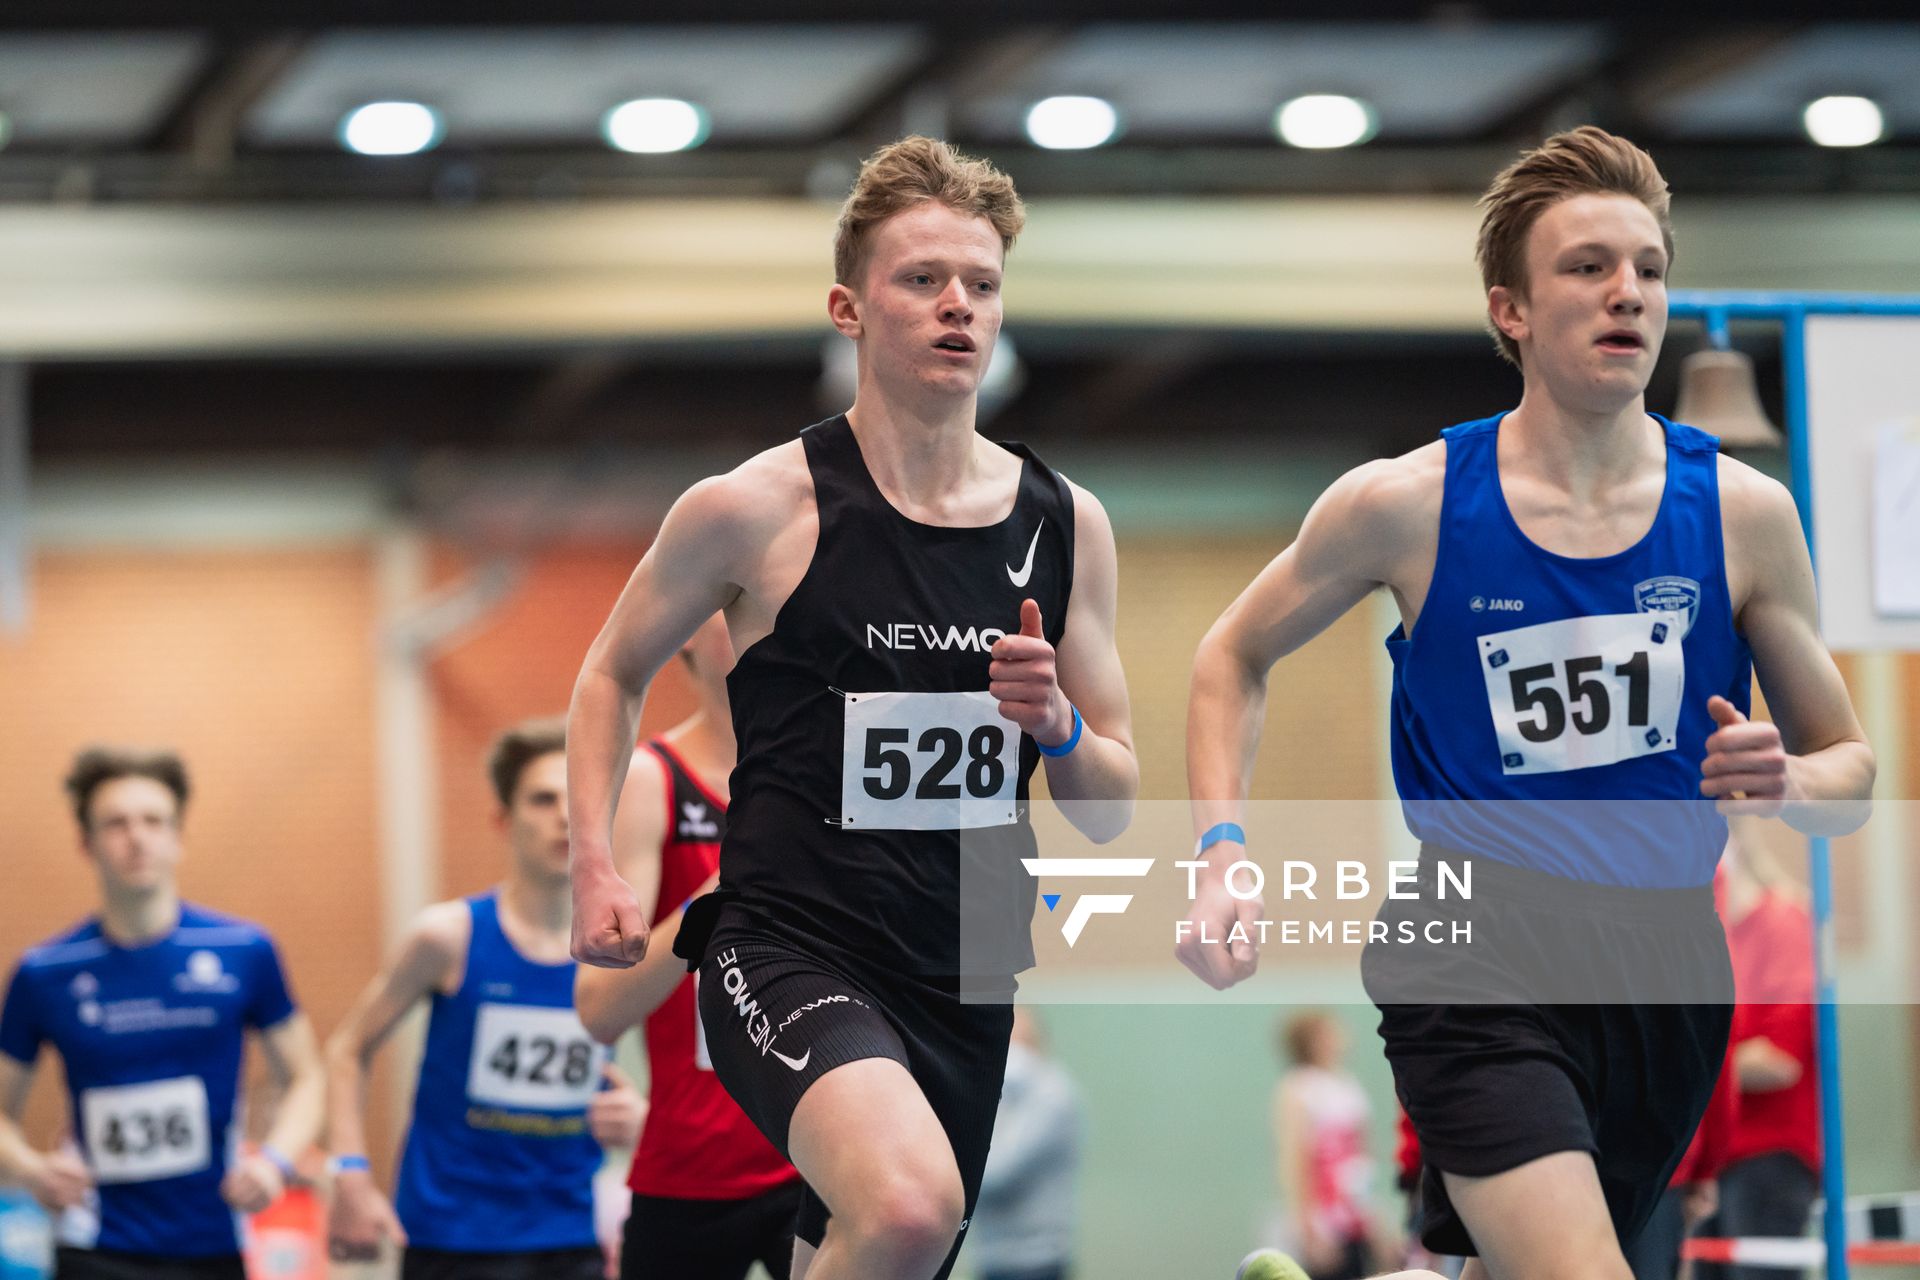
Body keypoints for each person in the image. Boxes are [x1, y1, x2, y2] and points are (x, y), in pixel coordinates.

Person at [1185, 125, 1874, 1280]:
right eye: (1589, 266)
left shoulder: (1745, 514)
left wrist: (1793, 780)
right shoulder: (1405, 504)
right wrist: (1220, 848)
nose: (1628, 293)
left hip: (1665, 960)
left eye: (1649, 268)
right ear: (1510, 308)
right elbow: (1230, 656)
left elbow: (1848, 766)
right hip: (1473, 942)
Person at [565, 135, 1138, 1280]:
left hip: (968, 959)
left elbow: (1113, 803)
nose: (956, 308)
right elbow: (609, 673)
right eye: (922, 279)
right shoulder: (754, 507)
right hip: (790, 941)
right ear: (849, 305)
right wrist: (597, 863)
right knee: (910, 1206)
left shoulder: (1066, 520)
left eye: (980, 284)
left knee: (870, 1250)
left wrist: (1058, 727)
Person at [324, 719, 645, 1280]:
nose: (565, 817)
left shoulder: (623, 947)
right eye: (543, 800)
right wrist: (350, 1174)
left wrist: (644, 1116)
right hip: (452, 1239)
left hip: (569, 1237)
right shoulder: (448, 937)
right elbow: (348, 1049)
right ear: (503, 820)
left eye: (577, 800)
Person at [0, 747, 326, 1280]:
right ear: (86, 843)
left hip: (214, 1242)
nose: (137, 837)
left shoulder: (243, 950)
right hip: (95, 1245)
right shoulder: (45, 972)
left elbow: (307, 1075)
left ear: (179, 838)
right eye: (116, 823)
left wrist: (275, 1161)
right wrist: (32, 1169)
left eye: (154, 820)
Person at [574, 614, 804, 1280]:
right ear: (685, 638)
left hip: (817, 1156)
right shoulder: (654, 780)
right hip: (690, 1172)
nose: (760, 617)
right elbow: (600, 1008)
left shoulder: (837, 775)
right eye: (732, 606)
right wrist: (725, 886)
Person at [1694, 831, 1819, 1280]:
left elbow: (1780, 1060)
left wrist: (1689, 1062)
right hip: (1706, 1157)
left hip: (1769, 1154)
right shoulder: (1706, 940)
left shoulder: (1783, 924)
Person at [967, 1008, 1083, 1280]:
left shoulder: (1051, 1094)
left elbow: (995, 1173)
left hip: (1033, 1262)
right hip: (993, 1256)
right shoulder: (1006, 1094)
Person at [1271, 1013, 1387, 1280]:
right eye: (1328, 1033)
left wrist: (1372, 1218)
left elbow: (1361, 1158)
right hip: (1323, 1220)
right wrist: (1306, 1225)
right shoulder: (1298, 1088)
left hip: (1354, 1214)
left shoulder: (1347, 1085)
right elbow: (1294, 1159)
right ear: (1312, 1041)